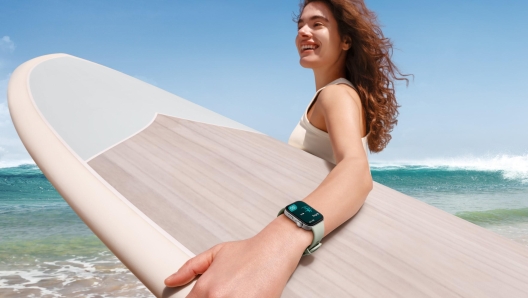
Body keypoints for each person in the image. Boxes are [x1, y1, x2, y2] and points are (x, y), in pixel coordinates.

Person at [164, 0, 407, 296]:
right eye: (300, 25)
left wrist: (271, 248)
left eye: (317, 24)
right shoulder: (339, 94)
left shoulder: (336, 95)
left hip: (296, 244)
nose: (304, 31)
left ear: (345, 40)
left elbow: (357, 171)